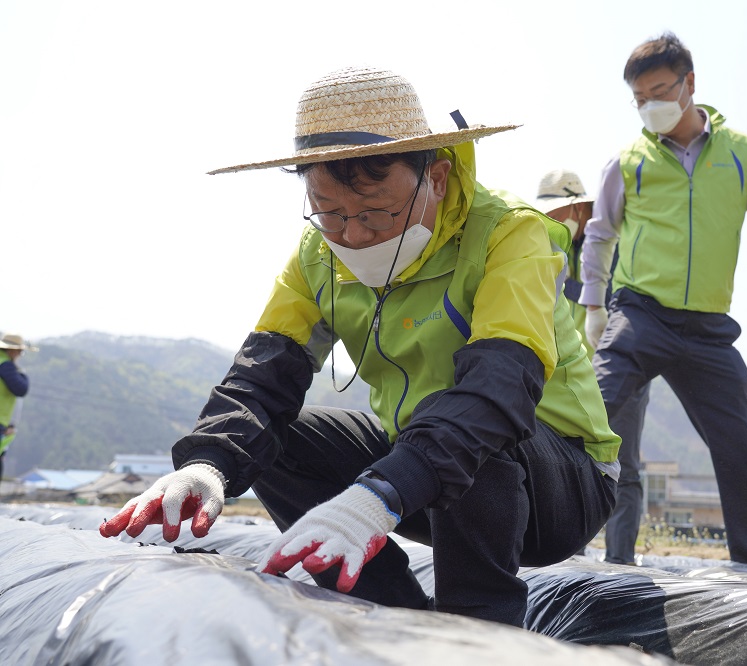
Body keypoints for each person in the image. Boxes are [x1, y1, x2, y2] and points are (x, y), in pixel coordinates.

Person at [99, 66, 621, 626]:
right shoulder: (317, 255)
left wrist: (379, 495)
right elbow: (265, 375)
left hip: (557, 478)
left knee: (475, 424)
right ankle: (391, 611)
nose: (352, 235)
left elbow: (500, 387)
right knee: (279, 440)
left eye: (376, 213)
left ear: (436, 178)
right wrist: (207, 466)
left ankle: (479, 630)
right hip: (420, 466)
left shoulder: (509, 234)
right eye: (328, 213)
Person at [580, 32, 747, 569]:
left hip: (708, 329)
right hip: (640, 316)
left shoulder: (741, 154)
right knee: (590, 417)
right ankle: (535, 537)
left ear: (690, 84)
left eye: (659, 91)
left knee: (739, 450)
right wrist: (594, 305)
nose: (650, 107)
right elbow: (599, 233)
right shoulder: (629, 161)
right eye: (639, 99)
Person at [535, 170, 650, 559]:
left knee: (625, 465)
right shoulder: (547, 244)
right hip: (567, 380)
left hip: (618, 368)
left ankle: (620, 560)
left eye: (561, 209)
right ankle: (570, 554)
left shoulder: (609, 250)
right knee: (565, 462)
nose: (554, 218)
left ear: (581, 207)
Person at [0, 333, 36, 481]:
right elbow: (21, 388)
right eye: (20, 351)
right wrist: (22, 374)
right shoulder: (6, 365)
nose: (20, 355)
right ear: (12, 351)